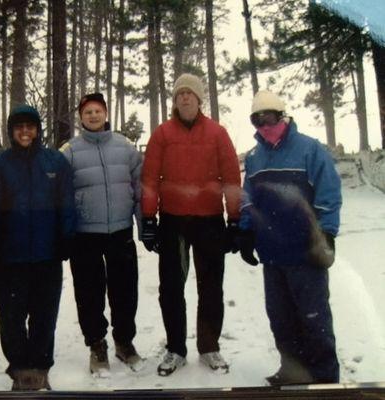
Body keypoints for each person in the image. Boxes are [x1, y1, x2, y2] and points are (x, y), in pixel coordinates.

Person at [238, 90, 342, 385]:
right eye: (256, 120)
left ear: (283, 116)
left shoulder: (309, 149)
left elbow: (329, 195)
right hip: (273, 255)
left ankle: (324, 378)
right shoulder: (255, 158)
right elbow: (248, 198)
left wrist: (327, 233)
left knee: (314, 319)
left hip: (306, 252)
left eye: (269, 117)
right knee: (281, 319)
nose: (264, 125)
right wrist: (245, 230)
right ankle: (293, 370)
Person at [141, 73, 241, 376]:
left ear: (199, 100)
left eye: (190, 93)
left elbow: (232, 178)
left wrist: (234, 219)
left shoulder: (217, 133)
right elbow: (149, 180)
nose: (184, 97)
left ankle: (209, 347)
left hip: (209, 221)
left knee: (211, 286)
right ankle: (175, 348)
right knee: (171, 287)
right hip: (173, 221)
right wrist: (148, 219)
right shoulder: (162, 134)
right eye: (179, 93)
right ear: (175, 101)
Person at [0, 105, 76, 390]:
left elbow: (67, 205)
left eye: (30, 126)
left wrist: (66, 240)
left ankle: (40, 368)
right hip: (10, 259)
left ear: (38, 130)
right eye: (19, 126)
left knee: (44, 316)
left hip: (47, 256)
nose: (25, 131)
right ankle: (20, 369)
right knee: (11, 318)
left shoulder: (55, 162)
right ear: (12, 131)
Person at [60, 93, 144, 377]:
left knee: (125, 290)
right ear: (80, 118)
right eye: (87, 112)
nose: (93, 116)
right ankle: (96, 344)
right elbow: (61, 196)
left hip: (120, 230)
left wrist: (144, 226)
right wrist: (66, 232)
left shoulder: (125, 147)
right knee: (89, 293)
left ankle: (124, 341)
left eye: (97, 111)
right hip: (85, 236)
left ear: (105, 114)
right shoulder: (69, 151)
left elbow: (139, 188)